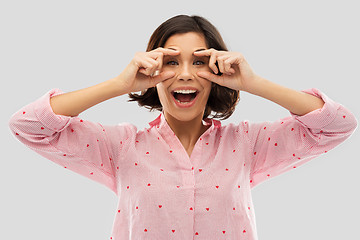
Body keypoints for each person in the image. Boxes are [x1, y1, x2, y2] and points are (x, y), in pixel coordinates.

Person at [8, 14, 357, 240]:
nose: (187, 74)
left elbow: (337, 125)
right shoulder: (121, 146)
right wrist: (119, 84)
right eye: (171, 61)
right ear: (151, 69)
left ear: (218, 70)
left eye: (200, 62)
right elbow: (28, 126)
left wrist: (252, 83)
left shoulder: (247, 143)